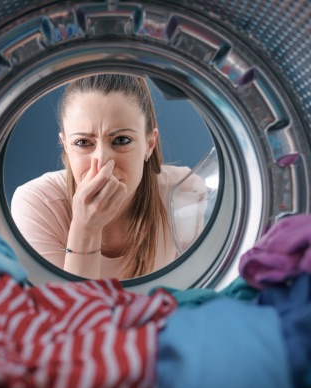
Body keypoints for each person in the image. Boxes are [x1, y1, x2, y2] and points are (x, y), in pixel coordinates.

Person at [11, 74, 207, 279]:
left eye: (121, 140)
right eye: (83, 143)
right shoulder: (37, 204)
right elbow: (68, 309)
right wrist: (85, 229)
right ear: (66, 145)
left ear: (149, 144)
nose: (103, 161)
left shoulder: (183, 191)